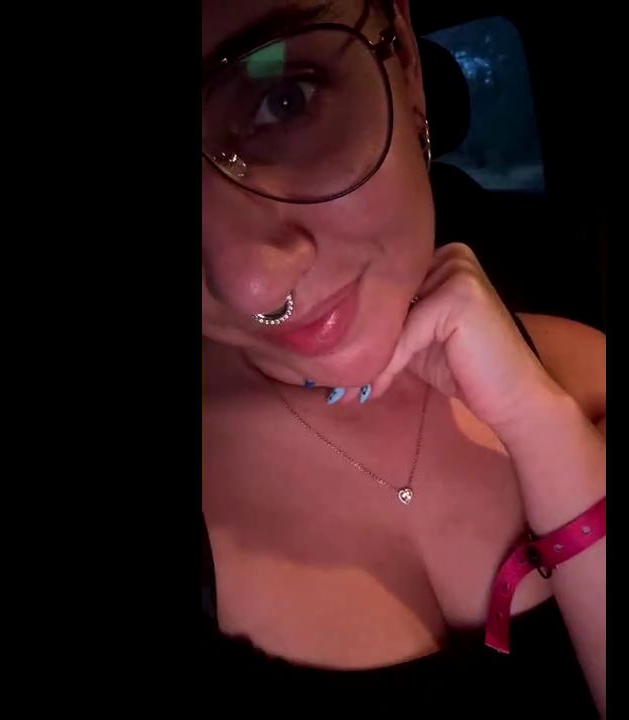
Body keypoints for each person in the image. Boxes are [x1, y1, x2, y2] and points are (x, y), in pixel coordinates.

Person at [202, 0, 606, 712]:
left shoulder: (588, 373)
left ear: (409, 69)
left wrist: (541, 424)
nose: (250, 285)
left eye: (284, 99)